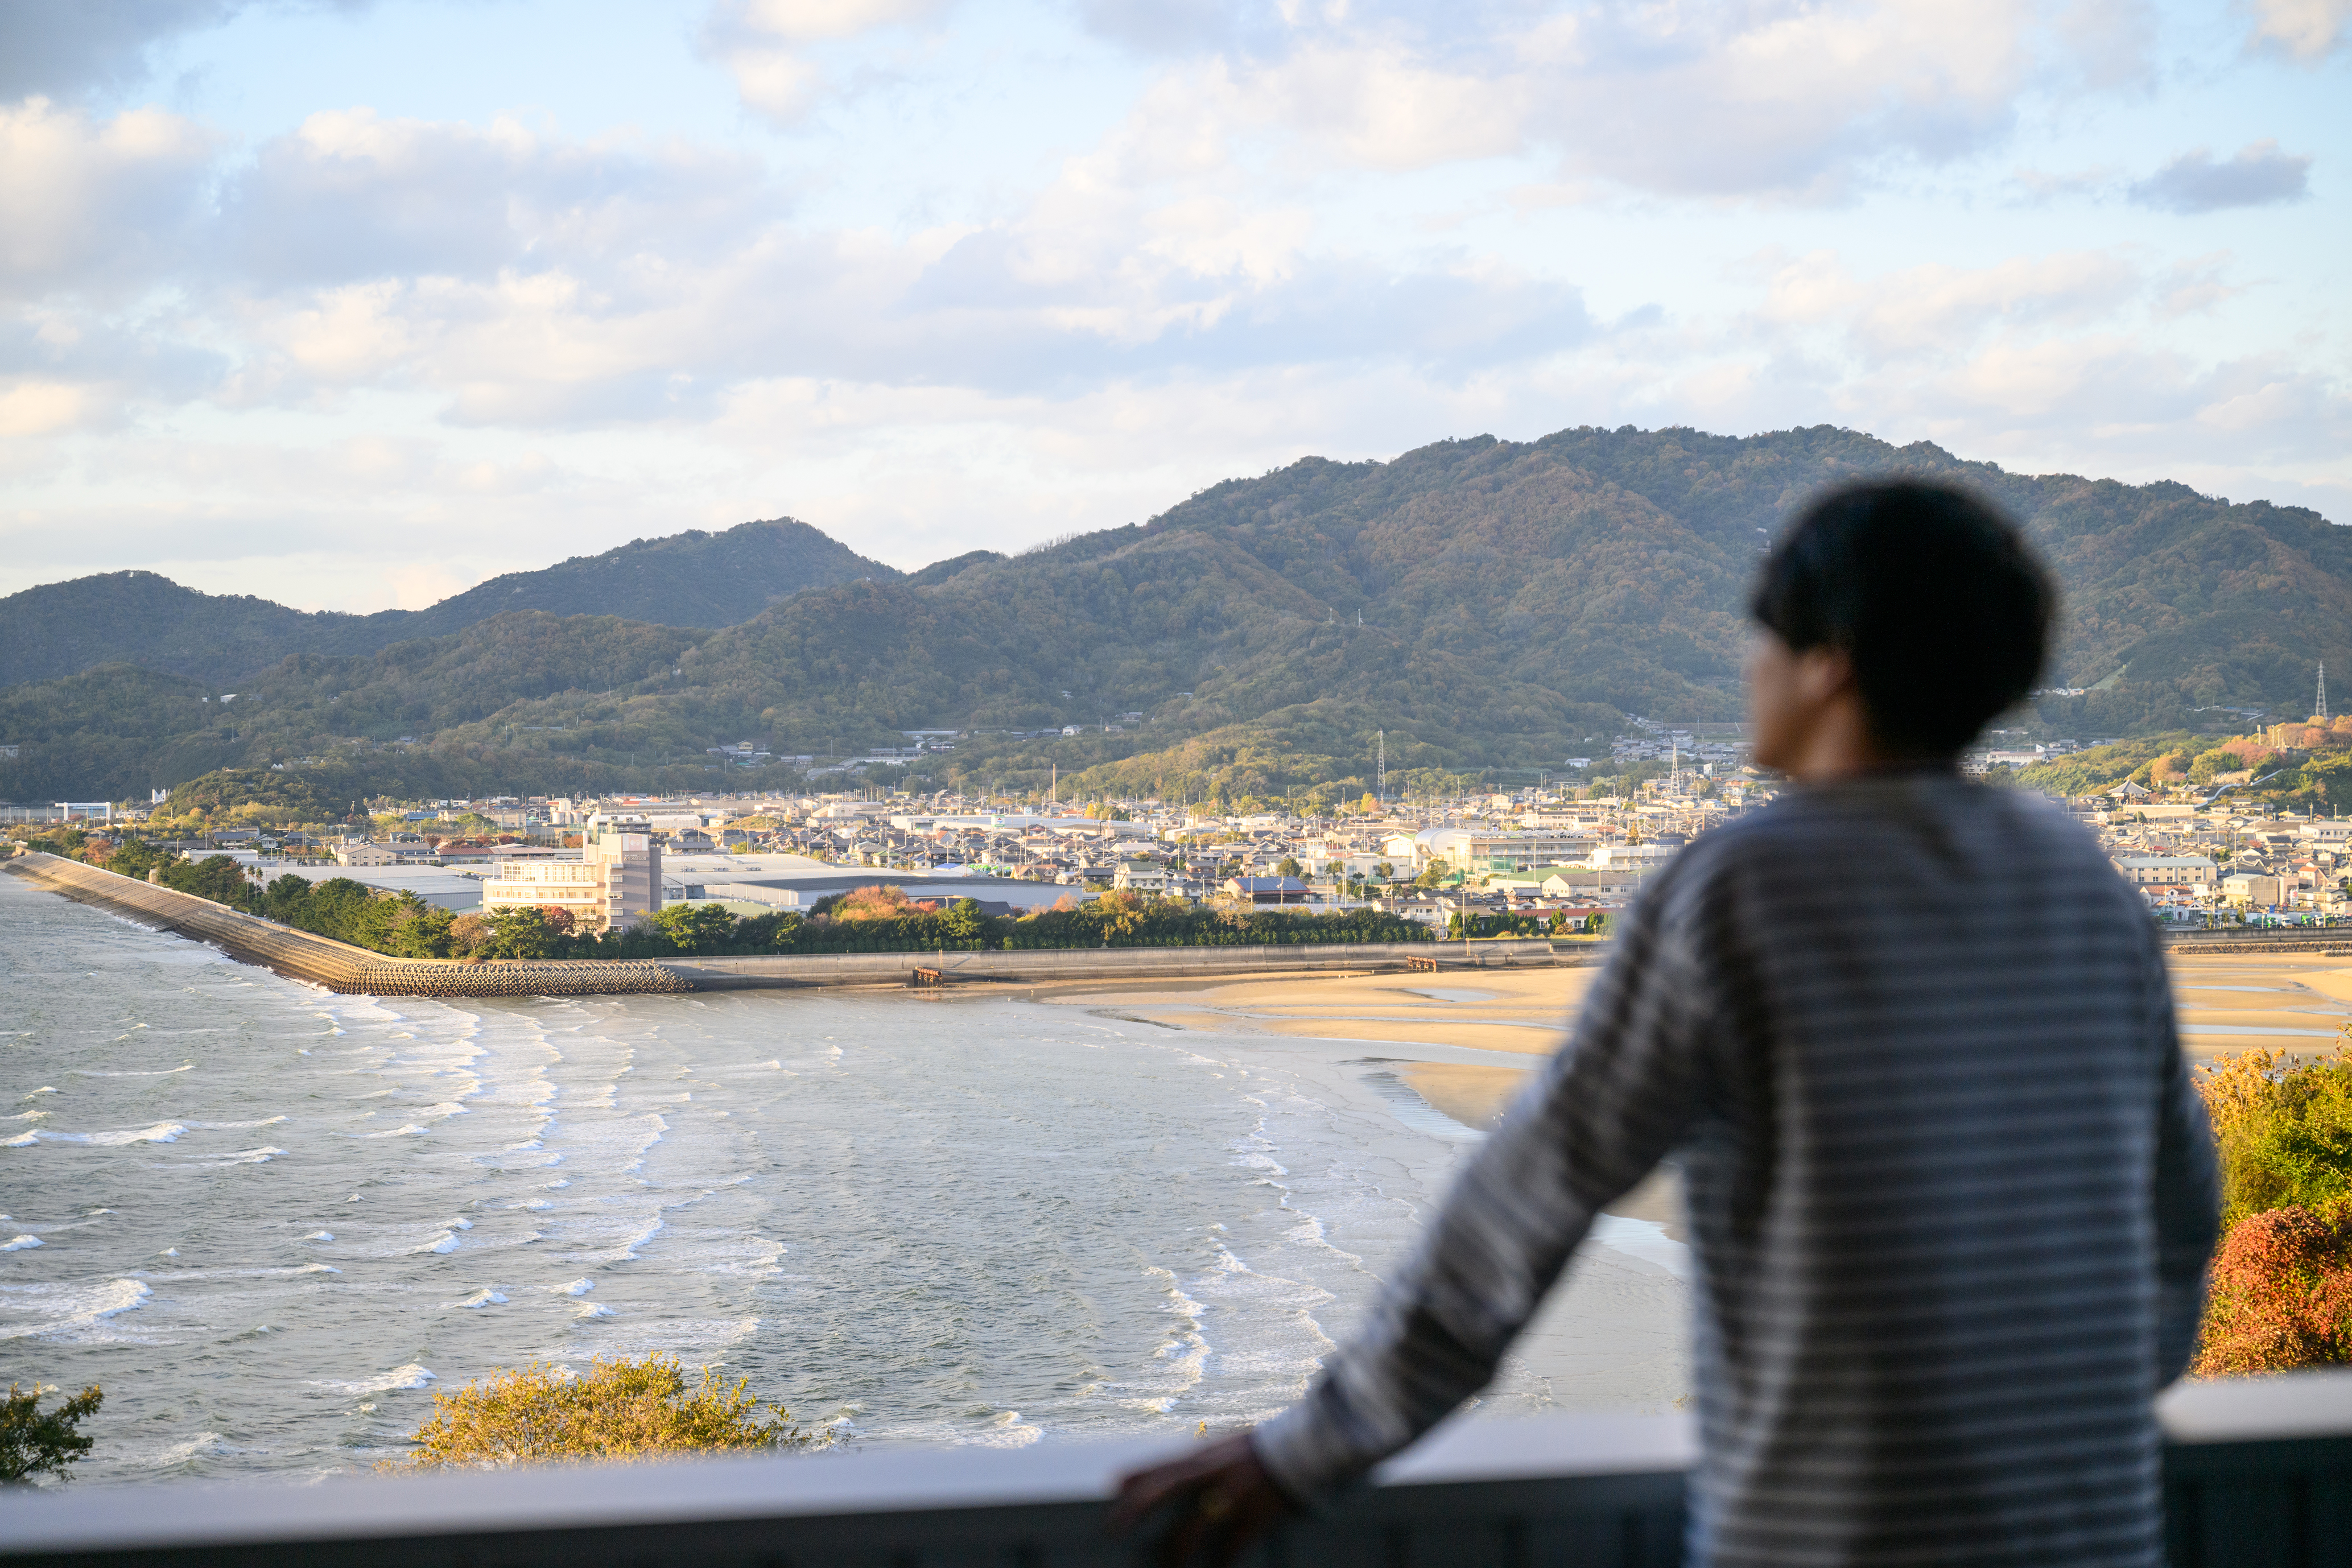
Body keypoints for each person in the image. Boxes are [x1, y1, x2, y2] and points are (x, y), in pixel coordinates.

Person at [1111, 480, 2222, 1567]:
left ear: (1828, 659)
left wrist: (1305, 1450)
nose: (1747, 665)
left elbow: (1525, 1202)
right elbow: (2179, 1218)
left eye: (1761, 633)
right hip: (2095, 1528)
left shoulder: (1746, 889)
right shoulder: (2084, 882)